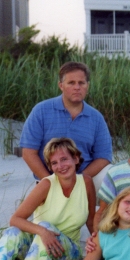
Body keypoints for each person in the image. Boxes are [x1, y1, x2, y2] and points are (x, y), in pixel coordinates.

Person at [0, 138, 96, 260]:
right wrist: (42, 232)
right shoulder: (46, 185)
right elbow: (15, 219)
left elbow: (91, 219)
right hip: (35, 253)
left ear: (76, 159)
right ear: (50, 167)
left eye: (64, 159)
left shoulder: (87, 183)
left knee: (45, 227)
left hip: (67, 255)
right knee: (14, 232)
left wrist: (98, 243)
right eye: (54, 163)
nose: (60, 166)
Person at [20, 61, 112, 192]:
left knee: (112, 176)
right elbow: (28, 153)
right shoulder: (41, 111)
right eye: (71, 83)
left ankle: (103, 212)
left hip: (85, 178)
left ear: (88, 85)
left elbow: (104, 156)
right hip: (48, 180)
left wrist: (80, 179)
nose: (77, 87)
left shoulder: (96, 117)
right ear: (61, 85)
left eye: (81, 83)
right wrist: (51, 183)